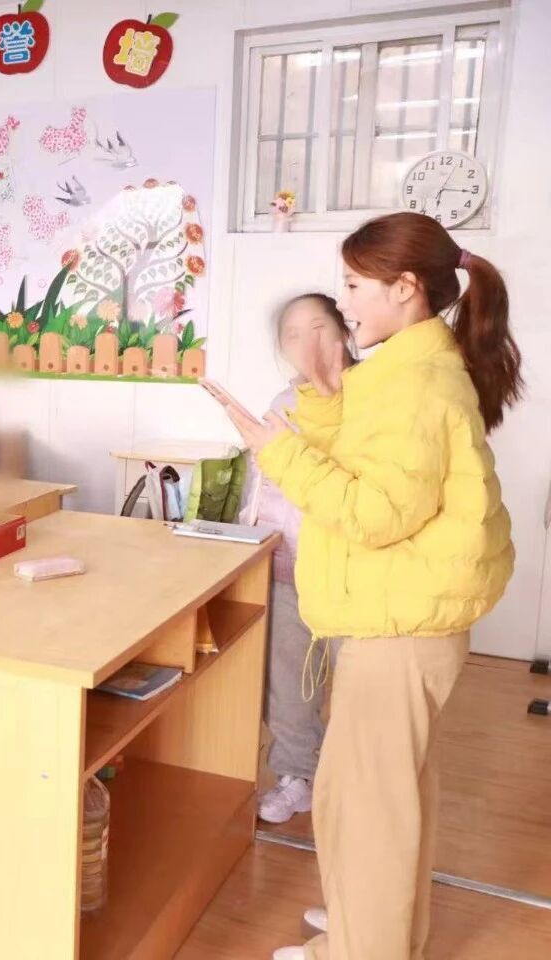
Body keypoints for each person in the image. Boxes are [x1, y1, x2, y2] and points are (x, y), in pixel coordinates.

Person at [205, 212, 518, 960]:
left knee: (364, 805)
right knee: (391, 801)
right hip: (406, 620)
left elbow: (374, 514)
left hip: (398, 628)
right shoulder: (407, 369)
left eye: (352, 285)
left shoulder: (413, 382)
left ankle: (358, 949)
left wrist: (277, 451)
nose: (342, 303)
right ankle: (375, 930)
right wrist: (319, 396)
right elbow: (367, 461)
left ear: (404, 288)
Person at [251, 295, 356, 825]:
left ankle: (353, 787)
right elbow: (265, 484)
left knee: (359, 690)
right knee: (289, 682)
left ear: (345, 332)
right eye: (292, 334)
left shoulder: (372, 396)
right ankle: (296, 778)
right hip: (286, 567)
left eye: (318, 327)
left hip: (350, 575)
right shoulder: (282, 400)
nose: (307, 342)